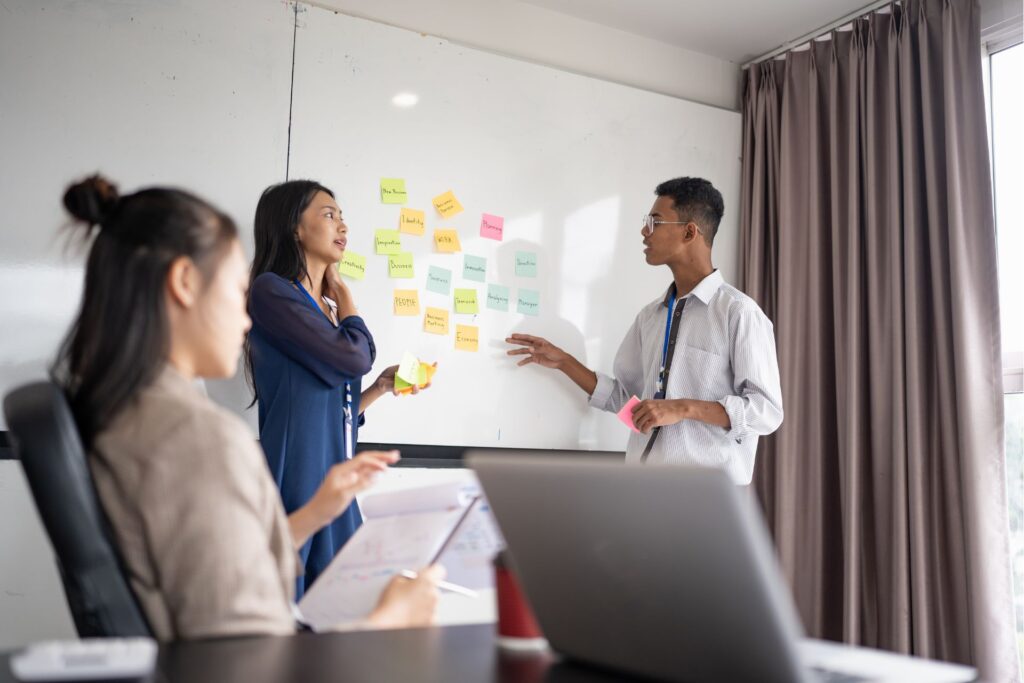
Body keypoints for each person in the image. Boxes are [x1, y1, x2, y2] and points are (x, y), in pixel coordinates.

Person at [55, 175, 443, 640]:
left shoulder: (131, 415)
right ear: (184, 283)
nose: (245, 319)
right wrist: (391, 622)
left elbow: (229, 570)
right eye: (234, 288)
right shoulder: (199, 437)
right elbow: (248, 644)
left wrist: (320, 510)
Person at [506, 177, 783, 484]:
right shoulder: (650, 317)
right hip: (642, 488)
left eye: (655, 221)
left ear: (690, 231)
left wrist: (682, 407)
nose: (644, 231)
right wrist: (564, 362)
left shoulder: (738, 313)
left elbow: (766, 411)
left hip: (704, 499)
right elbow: (627, 402)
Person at [245, 180, 430, 596]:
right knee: (298, 606)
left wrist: (380, 387)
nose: (342, 226)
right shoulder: (273, 291)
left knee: (341, 608)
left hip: (334, 474)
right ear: (295, 227)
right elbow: (355, 358)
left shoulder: (321, 311)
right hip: (300, 473)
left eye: (342, 217)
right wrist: (347, 299)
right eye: (329, 215)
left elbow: (331, 405)